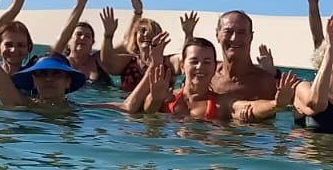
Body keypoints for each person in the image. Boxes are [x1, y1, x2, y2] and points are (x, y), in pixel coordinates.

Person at [122, 33, 296, 120]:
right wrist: (155, 99)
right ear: (182, 66)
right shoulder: (166, 96)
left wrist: (276, 104)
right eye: (194, 61)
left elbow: (248, 106)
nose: (200, 67)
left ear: (214, 68)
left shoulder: (222, 103)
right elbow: (147, 112)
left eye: (207, 62)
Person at [47, 0, 111, 86]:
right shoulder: (59, 62)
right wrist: (81, 0)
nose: (82, 38)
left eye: (87, 36)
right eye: (78, 34)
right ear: (68, 41)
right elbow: (61, 39)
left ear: (92, 43)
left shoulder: (100, 61)